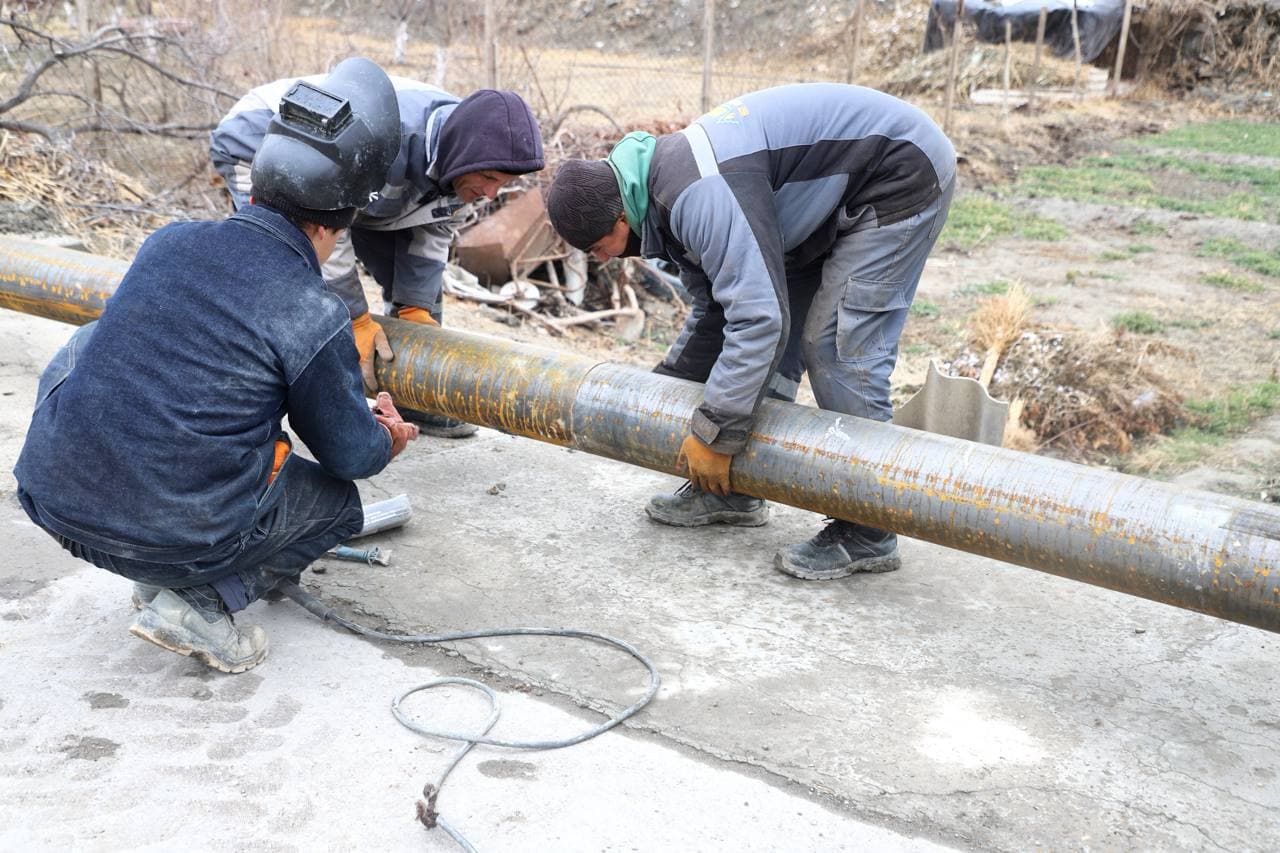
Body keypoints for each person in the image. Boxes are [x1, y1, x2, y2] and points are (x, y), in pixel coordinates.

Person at [14, 57, 421, 674]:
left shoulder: (167, 243)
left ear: (259, 178)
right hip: (167, 532)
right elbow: (350, 456)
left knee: (98, 339)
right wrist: (383, 435)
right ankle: (199, 600)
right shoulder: (312, 311)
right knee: (338, 503)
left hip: (52, 502)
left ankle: (157, 569)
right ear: (345, 218)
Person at [545, 83, 955, 581]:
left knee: (838, 347)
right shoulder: (661, 198)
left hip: (895, 171)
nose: (604, 258)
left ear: (618, 215)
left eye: (599, 245)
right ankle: (738, 489)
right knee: (771, 344)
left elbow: (758, 319)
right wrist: (662, 390)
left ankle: (869, 528)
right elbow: (717, 313)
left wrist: (715, 432)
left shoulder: (696, 193)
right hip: (816, 206)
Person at [210, 70, 545, 437]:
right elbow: (325, 227)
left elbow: (433, 232)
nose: (492, 194)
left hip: (366, 186)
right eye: (491, 180)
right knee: (284, 269)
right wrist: (352, 317)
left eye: (504, 185)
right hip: (262, 135)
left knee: (421, 301)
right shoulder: (390, 140)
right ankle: (251, 412)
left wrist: (414, 308)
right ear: (466, 156)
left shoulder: (465, 163)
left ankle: (414, 396)